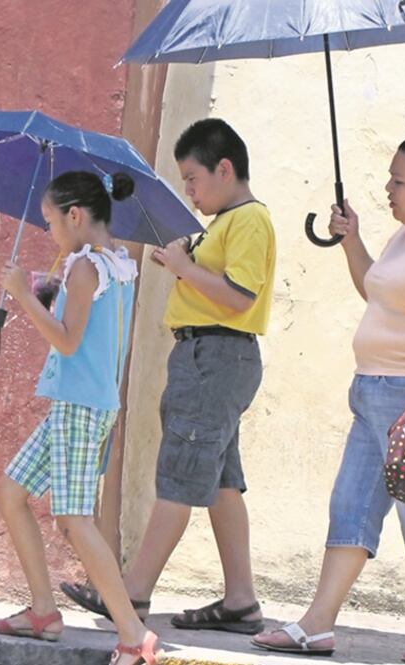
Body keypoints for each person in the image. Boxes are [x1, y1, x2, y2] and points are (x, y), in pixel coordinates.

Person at [251, 136, 405, 665]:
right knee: (351, 506)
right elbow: (376, 290)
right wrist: (351, 240)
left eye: (399, 181)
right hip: (372, 393)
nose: (388, 189)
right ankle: (317, 625)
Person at [63, 118, 275, 636]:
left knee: (179, 475)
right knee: (221, 482)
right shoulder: (224, 223)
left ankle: (131, 594)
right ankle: (241, 600)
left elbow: (239, 296)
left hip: (215, 355)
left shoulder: (249, 219)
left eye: (193, 179)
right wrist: (184, 262)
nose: (190, 191)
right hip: (209, 356)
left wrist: (184, 267)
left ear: (224, 169)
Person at [0, 171, 160, 665]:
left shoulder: (86, 267)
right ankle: (44, 610)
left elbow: (67, 340)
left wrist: (22, 294)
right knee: (11, 492)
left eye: (50, 222)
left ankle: (133, 634)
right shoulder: (117, 260)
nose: (49, 232)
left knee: (74, 520)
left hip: (80, 406)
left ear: (75, 215)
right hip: (83, 402)